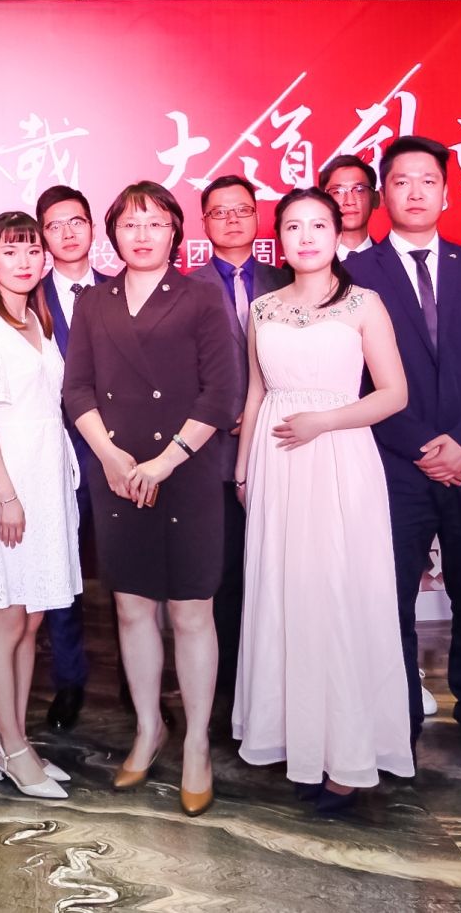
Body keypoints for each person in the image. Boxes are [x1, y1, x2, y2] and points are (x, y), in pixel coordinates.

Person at [62, 181, 240, 816]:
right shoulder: (93, 302)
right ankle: (148, 728)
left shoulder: (201, 296)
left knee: (192, 612)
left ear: (175, 233)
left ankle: (196, 743)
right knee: (133, 609)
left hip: (186, 472)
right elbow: (77, 389)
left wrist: (166, 461)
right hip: (118, 475)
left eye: (155, 223)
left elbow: (222, 392)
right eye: (130, 224)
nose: (142, 235)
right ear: (113, 233)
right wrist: (112, 457)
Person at [233, 187, 412, 812]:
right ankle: (300, 742)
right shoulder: (262, 308)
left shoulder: (365, 303)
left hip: (339, 460)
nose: (306, 236)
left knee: (338, 595)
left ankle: (350, 759)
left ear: (339, 235)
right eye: (292, 226)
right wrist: (243, 471)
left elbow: (393, 394)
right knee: (287, 596)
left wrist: (324, 422)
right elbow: (256, 394)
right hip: (275, 465)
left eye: (318, 225)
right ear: (278, 239)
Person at [349, 137, 461, 781]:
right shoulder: (356, 273)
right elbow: (358, 378)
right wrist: (422, 446)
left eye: (427, 180)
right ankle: (399, 723)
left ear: (447, 192)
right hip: (396, 468)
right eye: (401, 181)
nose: (415, 191)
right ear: (382, 195)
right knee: (392, 600)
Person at [0, 212, 81, 800]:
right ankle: (9, 747)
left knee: (32, 619)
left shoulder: (39, 317)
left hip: (48, 480)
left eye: (32, 250)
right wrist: (7, 495)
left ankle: (20, 742)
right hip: (11, 483)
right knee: (5, 618)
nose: (24, 261)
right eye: (9, 251)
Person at [190, 174, 291, 708]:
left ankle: (280, 685)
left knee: (281, 569)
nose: (231, 220)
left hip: (283, 444)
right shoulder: (184, 287)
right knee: (225, 573)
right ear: (203, 222)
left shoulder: (291, 278)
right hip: (214, 453)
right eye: (219, 212)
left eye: (242, 210)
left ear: (258, 217)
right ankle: (231, 694)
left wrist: (260, 413)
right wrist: (223, 413)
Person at [34, 184, 101, 730]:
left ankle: (139, 684)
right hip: (55, 450)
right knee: (62, 567)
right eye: (54, 226)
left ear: (93, 227)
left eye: (76, 221)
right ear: (42, 237)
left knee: (130, 573)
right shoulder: (26, 298)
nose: (68, 233)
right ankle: (69, 679)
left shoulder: (122, 288)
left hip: (122, 451)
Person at [320, 155, 380, 261]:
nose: (349, 201)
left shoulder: (395, 263)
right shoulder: (307, 265)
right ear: (322, 202)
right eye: (338, 192)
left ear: (375, 199)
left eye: (359, 190)